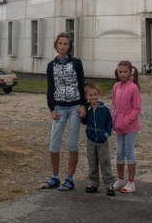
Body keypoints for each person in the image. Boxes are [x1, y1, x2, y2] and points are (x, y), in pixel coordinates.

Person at [41, 31, 86, 192]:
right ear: (56, 45)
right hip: (59, 107)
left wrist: (83, 105)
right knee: (54, 144)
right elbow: (50, 88)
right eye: (60, 43)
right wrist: (52, 108)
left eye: (65, 44)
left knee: (72, 143)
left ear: (69, 46)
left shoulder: (76, 63)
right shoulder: (51, 66)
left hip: (75, 106)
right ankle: (54, 177)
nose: (62, 46)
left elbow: (82, 83)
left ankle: (69, 179)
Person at [80, 81, 115, 196]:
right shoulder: (87, 108)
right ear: (86, 96)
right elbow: (84, 122)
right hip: (91, 140)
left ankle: (109, 185)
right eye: (90, 95)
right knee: (92, 163)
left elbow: (109, 122)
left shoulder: (104, 109)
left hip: (102, 141)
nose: (93, 97)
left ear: (99, 94)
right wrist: (82, 116)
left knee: (105, 163)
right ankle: (93, 183)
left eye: (95, 95)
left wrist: (106, 133)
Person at [112, 60, 141, 194]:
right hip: (118, 126)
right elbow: (114, 105)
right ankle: (120, 179)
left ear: (130, 72)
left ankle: (131, 182)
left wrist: (126, 120)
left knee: (129, 152)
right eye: (120, 72)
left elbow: (137, 109)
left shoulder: (133, 87)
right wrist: (114, 119)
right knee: (119, 153)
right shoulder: (116, 86)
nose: (122, 74)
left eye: (125, 72)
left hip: (130, 126)